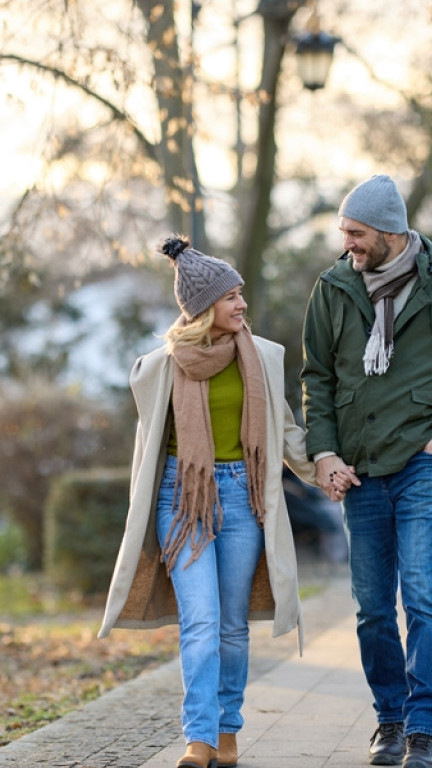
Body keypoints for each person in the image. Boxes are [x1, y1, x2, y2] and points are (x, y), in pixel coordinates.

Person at [99, 236, 338, 768]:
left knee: (231, 624)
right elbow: (150, 444)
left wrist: (324, 467)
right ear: (206, 305)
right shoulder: (160, 366)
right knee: (201, 620)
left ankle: (227, 731)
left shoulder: (264, 357)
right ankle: (199, 738)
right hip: (182, 500)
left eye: (241, 295)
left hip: (242, 495)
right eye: (232, 297)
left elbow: (284, 432)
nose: (242, 304)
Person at [301, 174, 432, 768]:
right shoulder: (333, 286)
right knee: (370, 608)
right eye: (343, 232)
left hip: (425, 468)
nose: (348, 244)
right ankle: (389, 720)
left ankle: (425, 732)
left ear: (391, 232)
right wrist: (325, 453)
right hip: (359, 472)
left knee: (421, 597)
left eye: (357, 233)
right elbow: (317, 378)